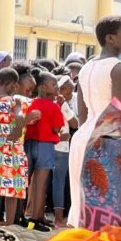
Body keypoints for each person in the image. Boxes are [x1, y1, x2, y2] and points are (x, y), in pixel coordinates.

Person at [68, 15, 121, 226]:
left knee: (83, 201)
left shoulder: (86, 67)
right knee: (107, 204)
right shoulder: (119, 68)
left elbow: (82, 112)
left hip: (84, 136)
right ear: (110, 38)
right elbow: (120, 115)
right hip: (107, 138)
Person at [0, 69, 40, 233]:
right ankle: (9, 226)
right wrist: (22, 125)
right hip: (11, 148)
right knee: (11, 191)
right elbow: (19, 117)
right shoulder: (15, 101)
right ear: (13, 85)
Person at [23, 72, 67, 227]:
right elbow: (56, 129)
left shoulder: (30, 103)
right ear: (42, 87)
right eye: (53, 84)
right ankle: (37, 218)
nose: (57, 87)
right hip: (45, 146)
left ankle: (21, 216)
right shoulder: (54, 106)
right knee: (41, 184)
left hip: (28, 144)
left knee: (26, 182)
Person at [51, 75, 79, 228]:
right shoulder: (61, 103)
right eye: (69, 88)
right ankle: (58, 219)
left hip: (53, 146)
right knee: (59, 182)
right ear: (61, 89)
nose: (71, 91)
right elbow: (74, 124)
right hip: (61, 147)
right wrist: (65, 106)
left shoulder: (50, 100)